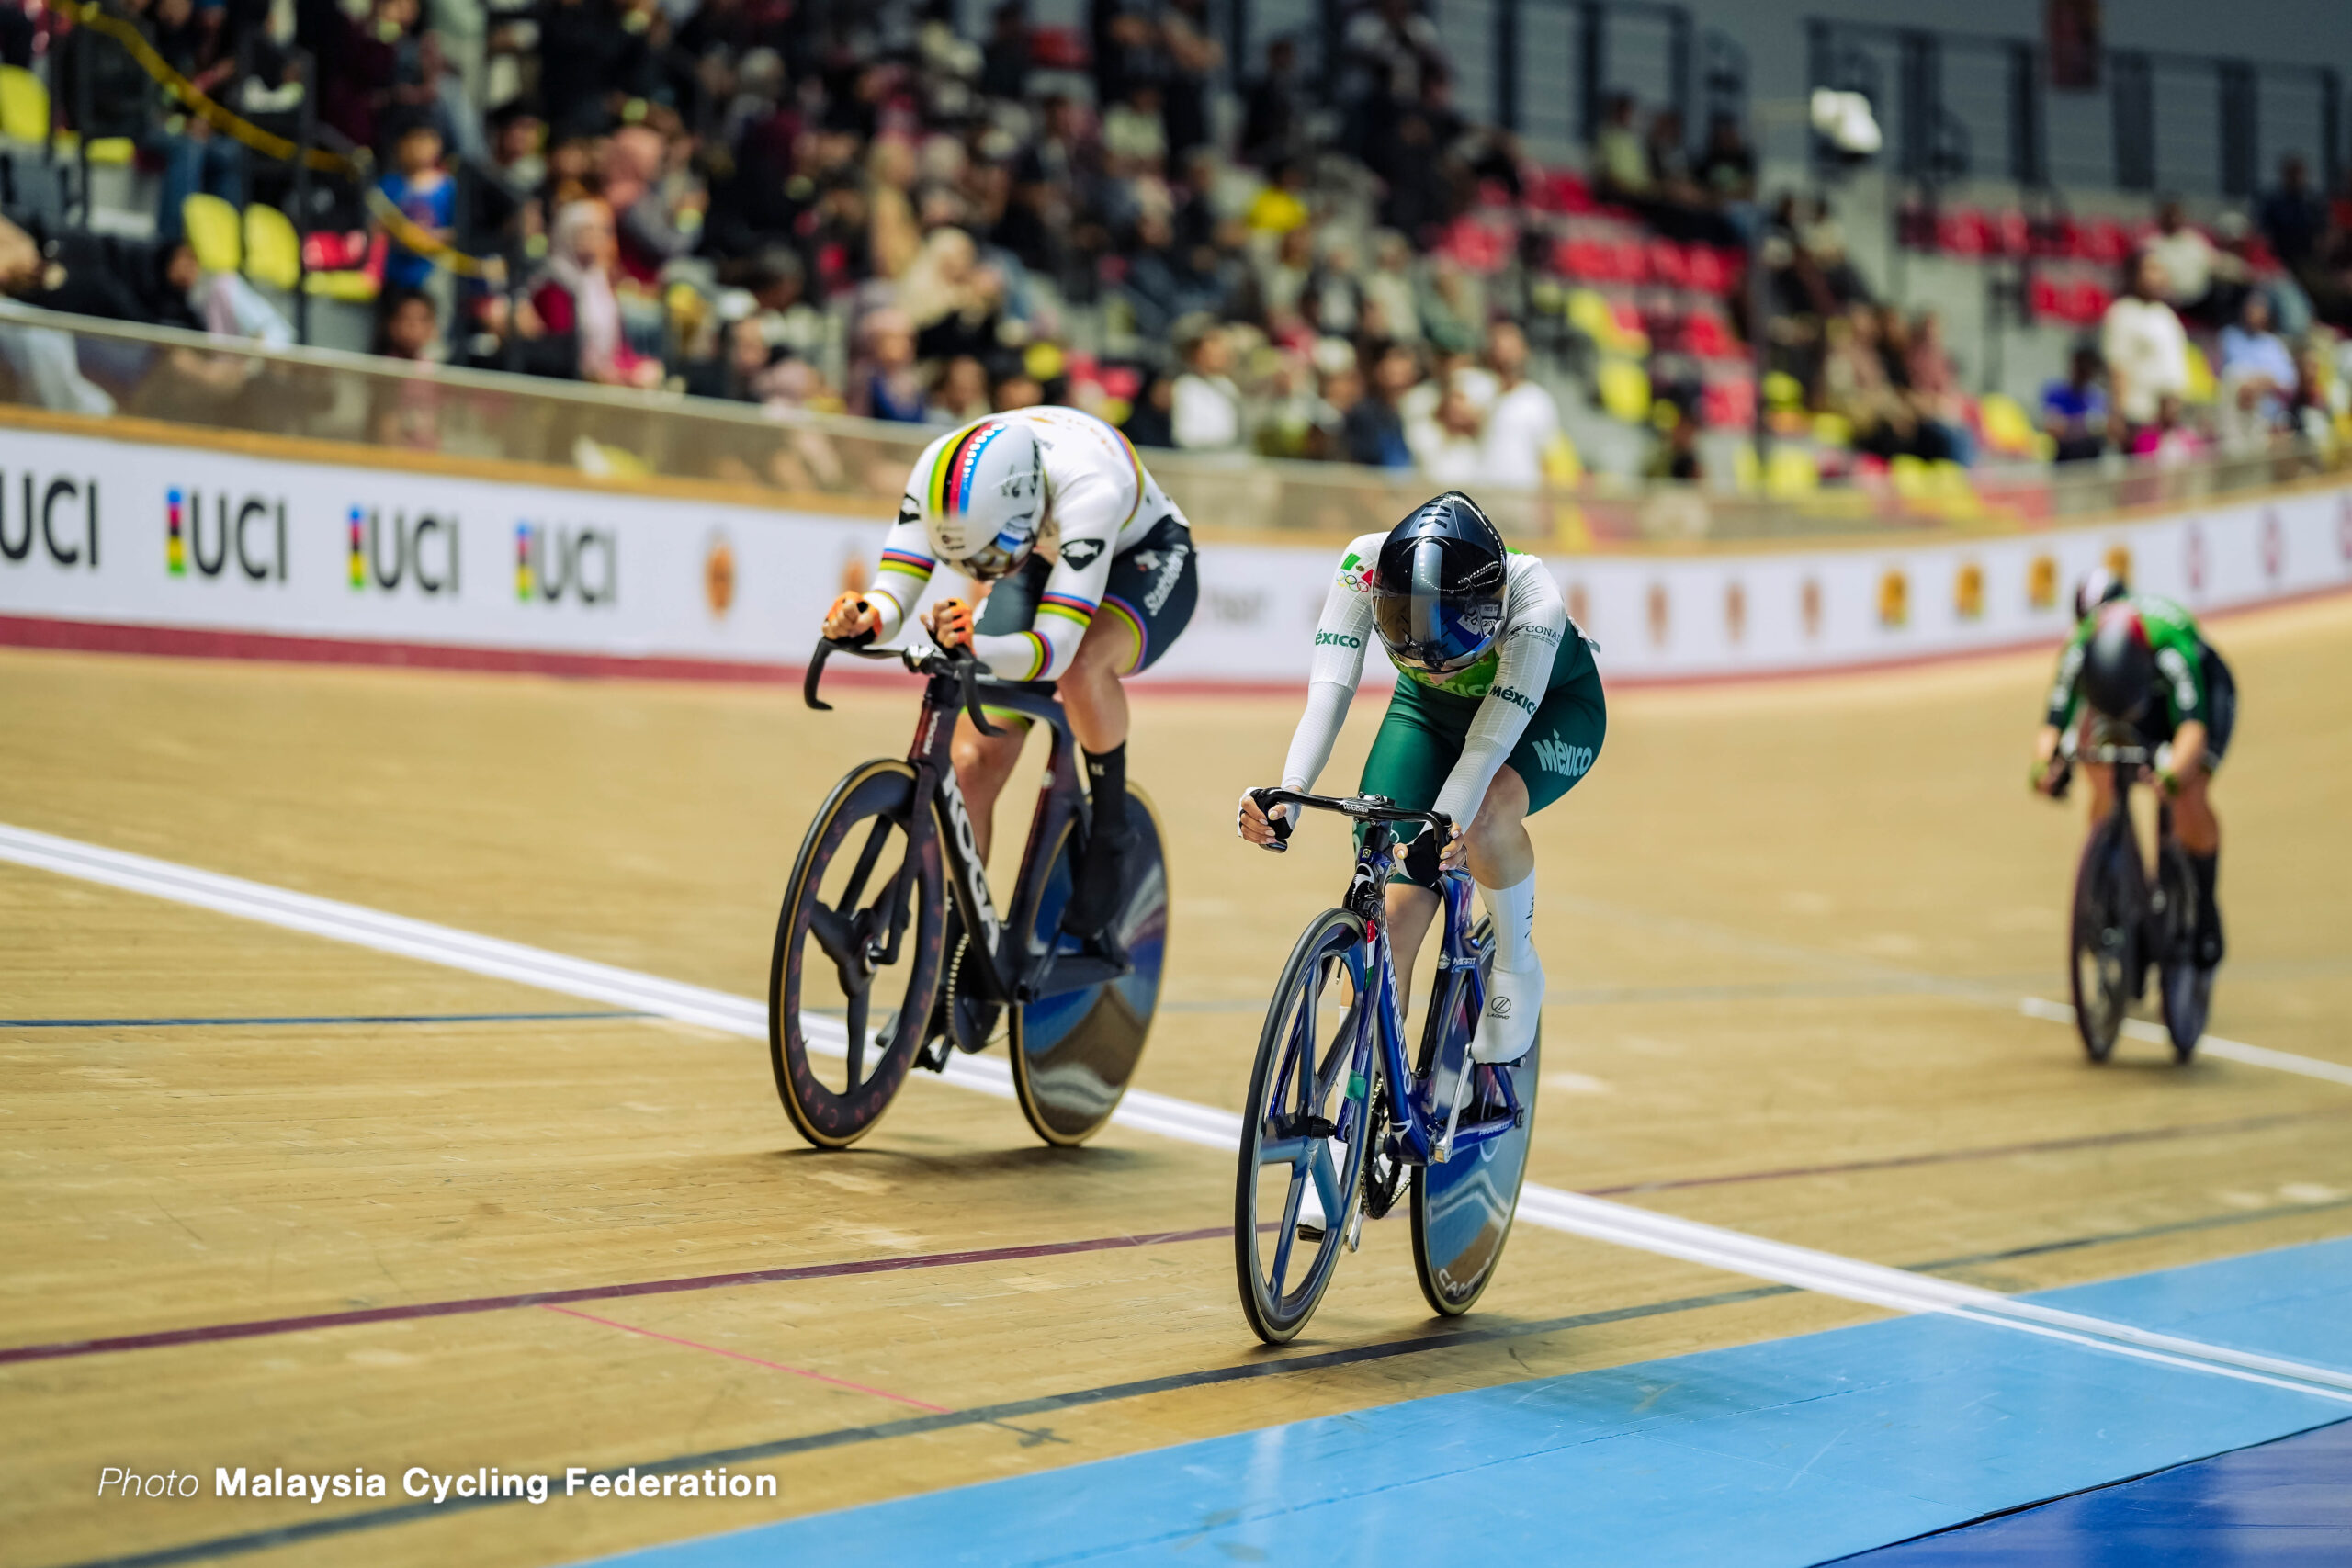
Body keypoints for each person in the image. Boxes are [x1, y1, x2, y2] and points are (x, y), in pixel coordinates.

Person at [1236, 492, 1605, 1065]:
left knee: (1483, 817)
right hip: (1427, 715)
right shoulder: (1365, 564)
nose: (1436, 665)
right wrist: (1290, 793)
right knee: (1392, 912)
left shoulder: (1536, 602)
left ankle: (1517, 965)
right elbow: (1327, 697)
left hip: (1546, 713)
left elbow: (1487, 746)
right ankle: (1366, 1099)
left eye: (1452, 651)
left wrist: (1445, 827)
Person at [820, 408, 1201, 942]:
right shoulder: (940, 473)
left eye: (995, 556)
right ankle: (955, 952)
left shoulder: (1091, 487)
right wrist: (867, 616)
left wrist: (976, 648)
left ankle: (1111, 830)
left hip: (1146, 557)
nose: (985, 575)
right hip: (1048, 554)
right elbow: (895, 588)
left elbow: (1053, 650)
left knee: (1084, 668)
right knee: (972, 764)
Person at [2031, 578, 2233, 966]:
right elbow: (2055, 719)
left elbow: (2192, 727)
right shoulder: (2079, 646)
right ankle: (2113, 882)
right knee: (2099, 760)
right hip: (2128, 695)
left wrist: (2173, 773)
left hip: (2200, 695)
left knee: (2187, 794)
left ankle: (2204, 909)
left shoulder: (2169, 645)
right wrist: (2046, 766)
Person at [2100, 252, 2190, 448]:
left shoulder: (2166, 315)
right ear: (2134, 274)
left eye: (2161, 270)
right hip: (2139, 420)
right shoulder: (2123, 313)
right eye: (2151, 269)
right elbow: (2118, 367)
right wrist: (2118, 415)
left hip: (2168, 420)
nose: (2158, 276)